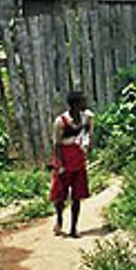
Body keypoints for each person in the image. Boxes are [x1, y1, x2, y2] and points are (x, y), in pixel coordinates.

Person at [50, 90, 93, 238]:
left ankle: (74, 227)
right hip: (64, 159)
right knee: (60, 195)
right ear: (75, 104)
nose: (85, 104)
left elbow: (87, 134)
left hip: (78, 159)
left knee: (77, 195)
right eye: (82, 102)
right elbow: (56, 145)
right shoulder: (61, 121)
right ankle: (59, 219)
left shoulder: (86, 118)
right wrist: (60, 166)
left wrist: (86, 149)